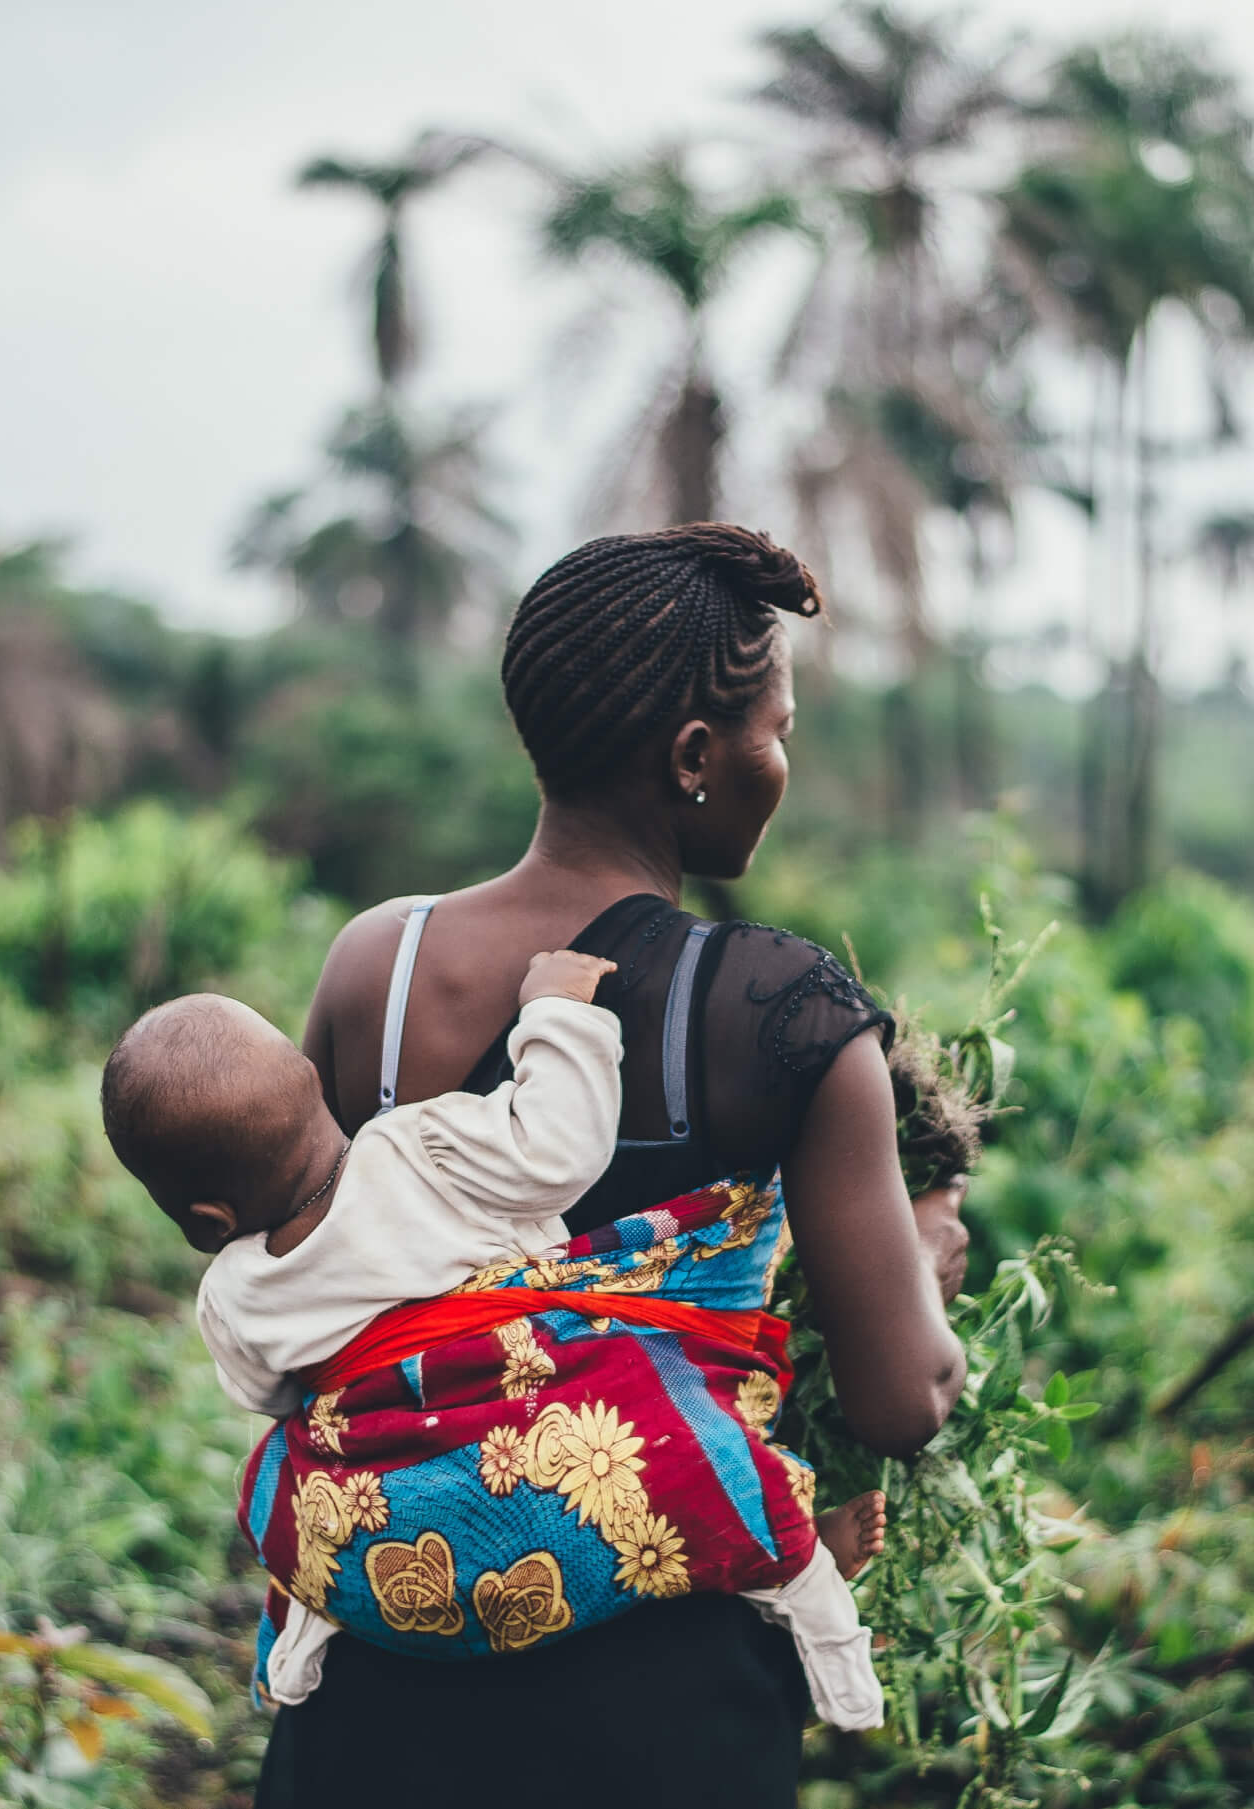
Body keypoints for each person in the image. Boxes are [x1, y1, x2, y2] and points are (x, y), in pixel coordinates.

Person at [259, 522, 969, 1809]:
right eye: (780, 730)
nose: (782, 763)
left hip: (382, 1672)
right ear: (696, 755)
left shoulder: (380, 963)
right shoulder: (782, 1010)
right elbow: (901, 1402)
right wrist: (924, 1253)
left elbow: (297, 1276)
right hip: (660, 1718)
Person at [98, 949, 892, 1730]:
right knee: (686, 1445)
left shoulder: (233, 1294)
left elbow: (275, 1397)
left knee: (282, 1482)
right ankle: (806, 1588)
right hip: (539, 1443)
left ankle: (309, 1627)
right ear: (312, 1085)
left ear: (206, 1220)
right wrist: (557, 1011)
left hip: (398, 1525)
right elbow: (559, 1149)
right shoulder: (418, 1147)